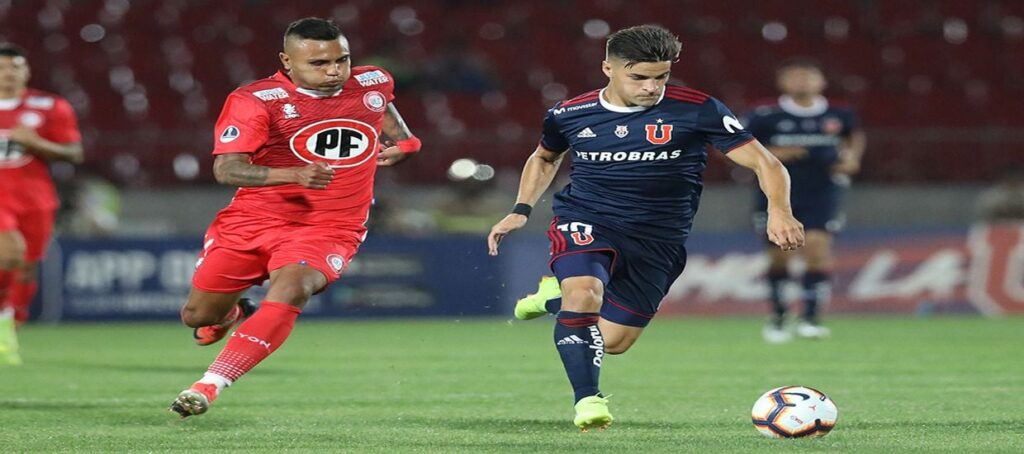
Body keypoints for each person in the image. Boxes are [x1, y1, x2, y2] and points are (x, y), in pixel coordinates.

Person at [486, 25, 804, 431]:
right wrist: (521, 209)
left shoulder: (698, 109)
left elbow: (765, 162)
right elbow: (544, 157)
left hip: (659, 238)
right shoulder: (570, 114)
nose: (652, 87)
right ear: (608, 68)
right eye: (639, 77)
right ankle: (587, 400)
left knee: (613, 341)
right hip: (587, 218)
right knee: (584, 294)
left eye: (661, 77)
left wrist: (780, 210)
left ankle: (554, 299)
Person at [169, 17, 421, 418]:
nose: (334, 71)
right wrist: (294, 175)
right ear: (287, 61)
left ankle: (209, 385)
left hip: (331, 226)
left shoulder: (372, 80)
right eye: (318, 63)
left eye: (341, 60)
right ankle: (234, 312)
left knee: (293, 287)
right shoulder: (255, 100)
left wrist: (406, 142)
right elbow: (226, 169)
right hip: (253, 221)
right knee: (197, 317)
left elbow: (383, 110)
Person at [743, 58, 865, 343]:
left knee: (817, 249)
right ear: (783, 82)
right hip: (775, 194)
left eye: (809, 76)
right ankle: (779, 316)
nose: (803, 82)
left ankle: (811, 318)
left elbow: (854, 137)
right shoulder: (764, 115)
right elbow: (736, 145)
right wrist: (773, 153)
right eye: (796, 77)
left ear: (821, 81)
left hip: (822, 191)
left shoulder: (839, 114)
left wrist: (851, 158)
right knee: (779, 255)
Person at [0, 43, 83, 366]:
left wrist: (36, 143)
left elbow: (73, 153)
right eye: (2, 68)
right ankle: (3, 318)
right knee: (10, 253)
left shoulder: (50, 106)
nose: (9, 73)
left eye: (15, 67)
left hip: (35, 199)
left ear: (27, 71)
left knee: (26, 266)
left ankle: (11, 323)